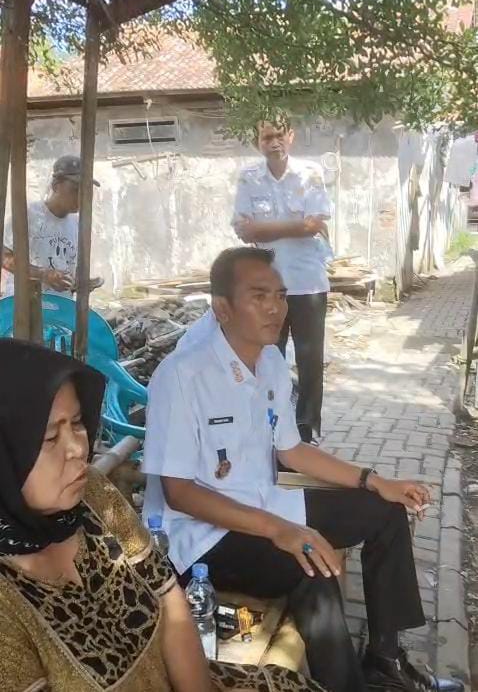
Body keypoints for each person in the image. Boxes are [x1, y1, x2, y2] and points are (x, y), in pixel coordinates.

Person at [142, 247, 464, 692]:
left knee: (384, 512)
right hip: (200, 537)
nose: (275, 308)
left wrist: (374, 480)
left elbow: (292, 450)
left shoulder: (271, 362)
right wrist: (280, 530)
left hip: (266, 505)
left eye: (280, 295)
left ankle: (385, 661)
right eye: (259, 296)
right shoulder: (181, 375)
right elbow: (178, 492)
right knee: (311, 566)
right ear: (222, 308)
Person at [0, 338, 327, 692]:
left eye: (77, 423)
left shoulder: (92, 497)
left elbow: (170, 602)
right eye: (50, 438)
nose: (78, 447)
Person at [233, 120, 333, 442]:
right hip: (267, 289)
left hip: (307, 284)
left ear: (291, 137)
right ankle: (269, 425)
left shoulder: (310, 174)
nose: (274, 142)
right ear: (258, 142)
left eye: (279, 135)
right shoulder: (248, 178)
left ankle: (307, 430)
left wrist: (263, 229)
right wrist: (296, 226)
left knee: (309, 360)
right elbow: (243, 231)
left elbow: (313, 225)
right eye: (267, 136)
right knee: (267, 357)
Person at [1, 155, 103, 297]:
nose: (81, 196)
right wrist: (43, 274)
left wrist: (79, 284)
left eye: (86, 191)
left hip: (59, 307)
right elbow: (5, 258)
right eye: (75, 189)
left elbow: (68, 268)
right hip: (26, 304)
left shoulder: (77, 224)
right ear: (55, 186)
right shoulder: (29, 215)